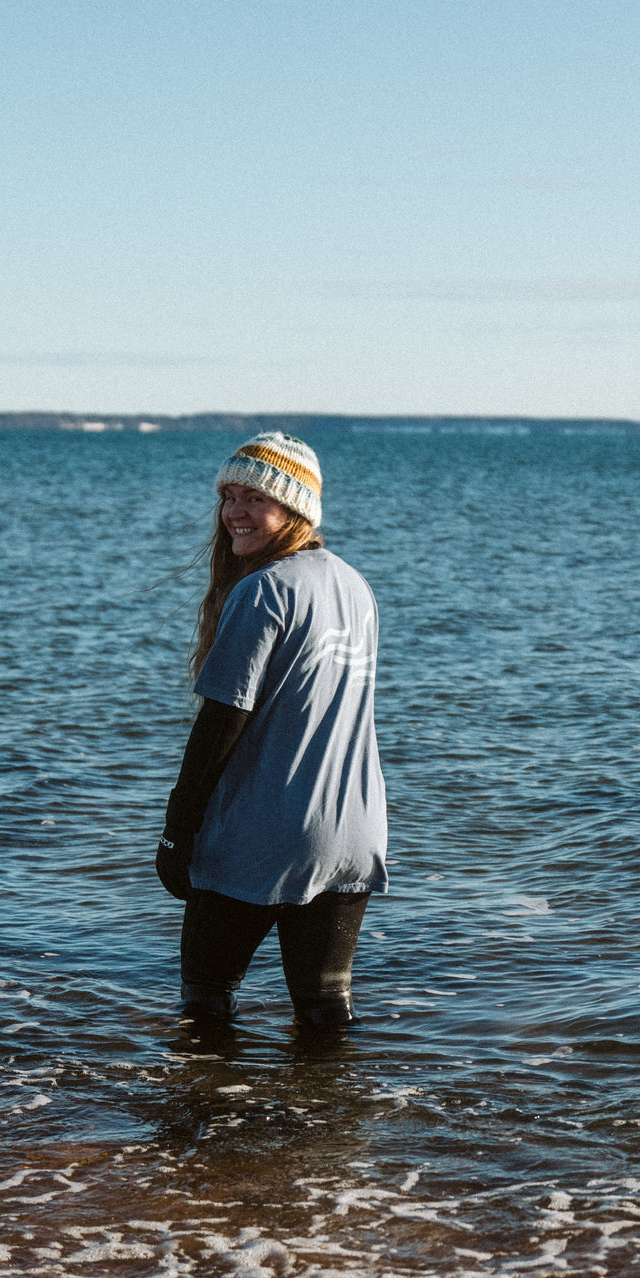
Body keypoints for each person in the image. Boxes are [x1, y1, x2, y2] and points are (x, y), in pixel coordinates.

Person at [155, 432, 388, 1026]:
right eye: (228, 495)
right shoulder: (355, 587)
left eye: (254, 497)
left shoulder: (264, 591)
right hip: (352, 832)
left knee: (205, 1005)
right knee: (324, 1012)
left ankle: (204, 1115)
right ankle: (329, 1120)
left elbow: (220, 723)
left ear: (294, 509)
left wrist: (177, 829)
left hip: (263, 834)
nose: (234, 511)